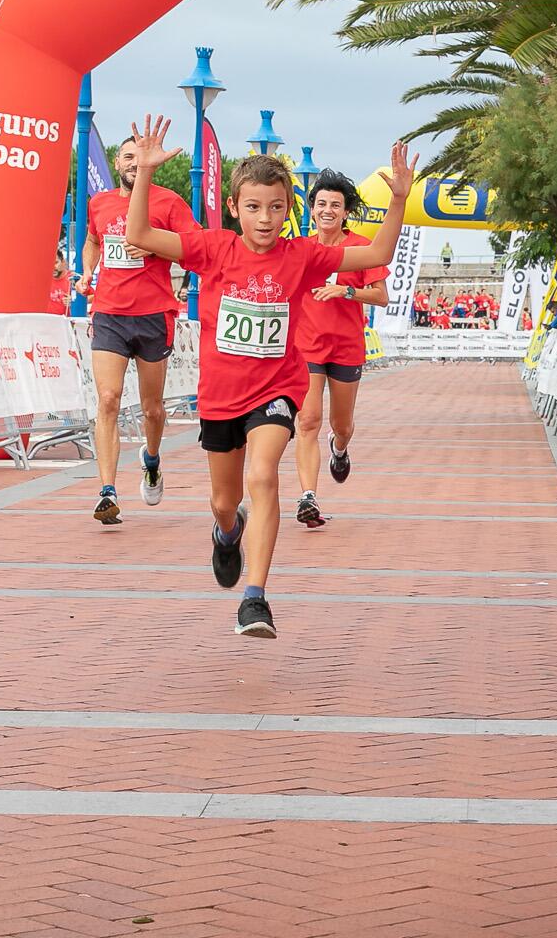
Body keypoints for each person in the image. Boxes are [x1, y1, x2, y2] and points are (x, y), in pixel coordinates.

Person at [123, 115, 414, 639]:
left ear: (289, 211)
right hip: (219, 398)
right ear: (235, 208)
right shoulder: (213, 249)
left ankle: (255, 599)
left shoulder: (302, 256)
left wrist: (398, 200)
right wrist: (144, 171)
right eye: (254, 207)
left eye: (276, 208)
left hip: (277, 390)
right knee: (224, 501)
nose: (265, 219)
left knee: (263, 477)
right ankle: (226, 535)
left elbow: (376, 254)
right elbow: (139, 233)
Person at [78, 134, 200, 523]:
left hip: (153, 314)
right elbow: (92, 241)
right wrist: (87, 271)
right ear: (117, 163)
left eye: (140, 157)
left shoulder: (168, 202)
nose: (134, 163)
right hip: (109, 313)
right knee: (109, 399)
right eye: (127, 156)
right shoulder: (100, 203)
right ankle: (107, 491)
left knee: (152, 409)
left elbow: (193, 245)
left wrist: (155, 246)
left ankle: (151, 459)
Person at [290, 172, 388, 528]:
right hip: (307, 347)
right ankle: (308, 497)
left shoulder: (362, 247)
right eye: (321, 204)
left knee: (341, 424)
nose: (327, 210)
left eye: (335, 205)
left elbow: (381, 296)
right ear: (312, 210)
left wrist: (346, 292)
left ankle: (340, 448)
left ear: (345, 212)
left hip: (346, 348)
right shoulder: (301, 248)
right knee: (308, 420)